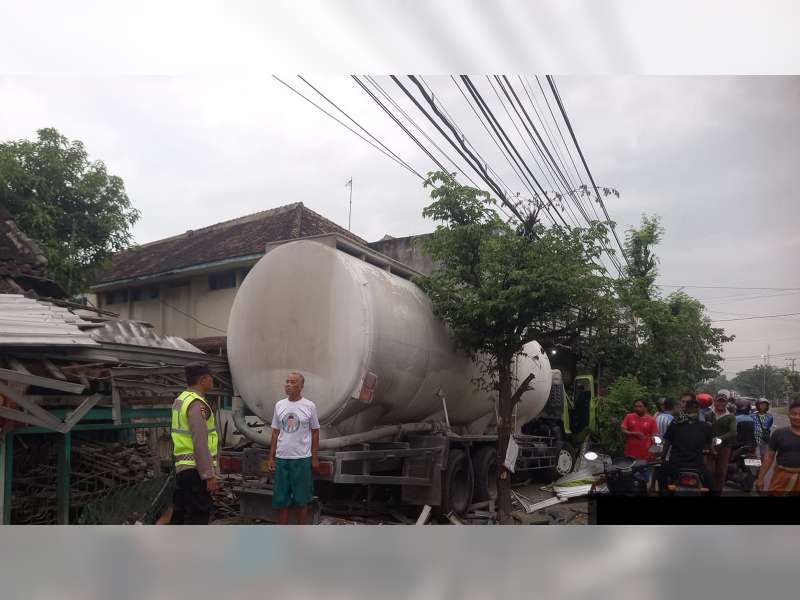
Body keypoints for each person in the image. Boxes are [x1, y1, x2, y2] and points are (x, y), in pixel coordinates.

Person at [267, 371, 320, 525]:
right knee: (281, 500)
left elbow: (315, 431)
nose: (288, 385)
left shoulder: (309, 406)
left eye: (293, 382)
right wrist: (271, 457)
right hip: (282, 459)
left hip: (301, 459)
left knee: (302, 499)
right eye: (287, 382)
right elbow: (275, 431)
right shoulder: (279, 405)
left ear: (301, 386)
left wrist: (314, 457)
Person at [169, 362, 219, 525]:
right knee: (198, 517)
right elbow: (200, 441)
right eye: (211, 377)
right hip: (196, 470)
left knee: (180, 515)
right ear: (203, 379)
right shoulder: (197, 404)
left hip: (183, 468)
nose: (213, 380)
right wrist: (209, 475)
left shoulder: (180, 400)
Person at [658, 396, 714, 492]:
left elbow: (667, 443)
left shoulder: (675, 424)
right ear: (698, 411)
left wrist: (662, 457)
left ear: (685, 409)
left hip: (675, 465)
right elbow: (710, 446)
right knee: (711, 485)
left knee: (661, 476)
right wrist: (712, 452)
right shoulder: (706, 426)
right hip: (697, 467)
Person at [755, 401, 800, 494]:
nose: (797, 417)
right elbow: (769, 456)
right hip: (781, 478)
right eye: (794, 414)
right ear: (788, 415)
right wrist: (760, 478)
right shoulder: (779, 433)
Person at [706, 391, 738, 494]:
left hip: (724, 447)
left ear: (726, 403)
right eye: (718, 401)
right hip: (709, 447)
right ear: (714, 402)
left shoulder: (730, 416)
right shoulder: (708, 415)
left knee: (721, 472)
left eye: (723, 401)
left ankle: (718, 492)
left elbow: (733, 432)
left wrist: (718, 439)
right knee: (709, 472)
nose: (720, 403)